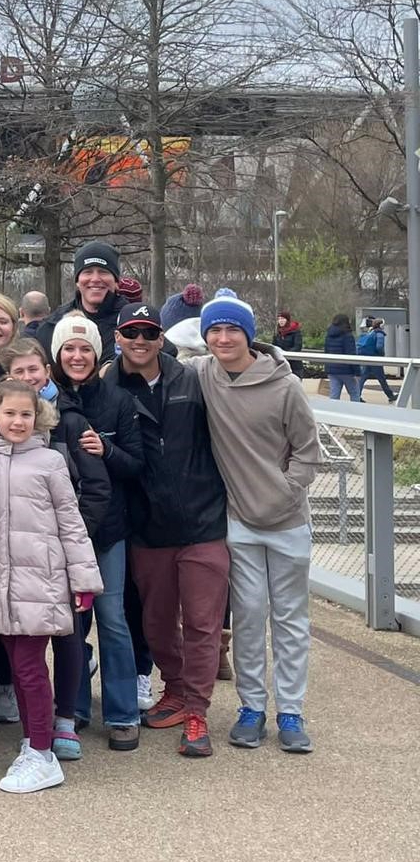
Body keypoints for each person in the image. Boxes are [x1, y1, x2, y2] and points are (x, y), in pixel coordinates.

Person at [190, 291, 319, 754]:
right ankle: (251, 708)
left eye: (232, 329)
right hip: (239, 522)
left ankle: (291, 710)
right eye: (215, 330)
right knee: (247, 617)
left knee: (290, 619)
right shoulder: (202, 375)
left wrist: (287, 490)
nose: (224, 338)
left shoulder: (284, 387)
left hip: (286, 521)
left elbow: (309, 451)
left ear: (249, 335)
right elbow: (161, 352)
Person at [100, 302, 229, 758]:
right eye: (131, 332)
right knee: (155, 623)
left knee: (201, 622)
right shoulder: (106, 385)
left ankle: (197, 710)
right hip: (147, 526)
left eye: (148, 333)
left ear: (161, 338)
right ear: (117, 337)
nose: (139, 341)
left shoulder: (190, 380)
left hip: (202, 520)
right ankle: (174, 688)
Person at [0, 380, 103, 794]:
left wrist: (83, 578)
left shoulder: (49, 461)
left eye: (25, 414)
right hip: (0, 579)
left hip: (42, 579)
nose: (17, 421)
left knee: (30, 667)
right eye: (9, 413)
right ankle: (34, 744)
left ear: (38, 417)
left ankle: (43, 753)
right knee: (17, 665)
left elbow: (71, 521)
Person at [50, 311, 146, 752]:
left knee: (112, 619)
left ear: (97, 353)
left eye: (84, 348)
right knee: (72, 624)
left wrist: (106, 448)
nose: (76, 356)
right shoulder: (45, 403)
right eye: (68, 348)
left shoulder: (117, 401)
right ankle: (75, 707)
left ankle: (123, 712)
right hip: (59, 534)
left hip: (107, 531)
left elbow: (136, 464)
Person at [36, 241, 125, 359]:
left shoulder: (132, 326)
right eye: (87, 272)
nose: (95, 279)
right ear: (77, 281)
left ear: (116, 281)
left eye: (103, 272)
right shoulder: (52, 325)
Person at [358, 318, 397, 402]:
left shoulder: (371, 332)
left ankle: (357, 395)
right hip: (375, 359)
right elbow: (379, 347)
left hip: (367, 358)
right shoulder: (380, 334)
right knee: (381, 378)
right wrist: (381, 354)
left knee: (363, 377)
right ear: (381, 325)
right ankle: (390, 396)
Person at [323, 313, 359, 402]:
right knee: (354, 392)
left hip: (332, 369)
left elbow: (326, 351)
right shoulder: (348, 336)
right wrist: (357, 372)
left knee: (334, 395)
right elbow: (351, 354)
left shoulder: (329, 335)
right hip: (346, 370)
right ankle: (357, 412)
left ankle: (333, 413)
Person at [275, 310, 304, 378]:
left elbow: (297, 346)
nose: (280, 321)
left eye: (283, 319)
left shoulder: (296, 332)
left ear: (287, 320)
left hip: (295, 366)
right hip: (282, 366)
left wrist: (286, 354)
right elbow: (274, 347)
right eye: (279, 319)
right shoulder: (278, 333)